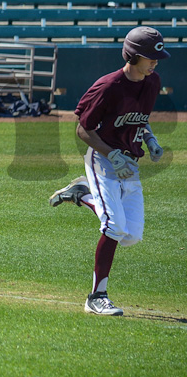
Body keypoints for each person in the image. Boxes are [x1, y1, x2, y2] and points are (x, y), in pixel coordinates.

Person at [47, 27, 169, 316]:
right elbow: (83, 129)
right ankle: (96, 296)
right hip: (103, 161)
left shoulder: (152, 82)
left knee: (131, 236)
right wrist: (111, 154)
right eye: (151, 57)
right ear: (134, 56)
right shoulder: (108, 86)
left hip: (131, 165)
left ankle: (84, 196)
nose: (155, 62)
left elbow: (140, 120)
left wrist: (150, 140)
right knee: (114, 227)